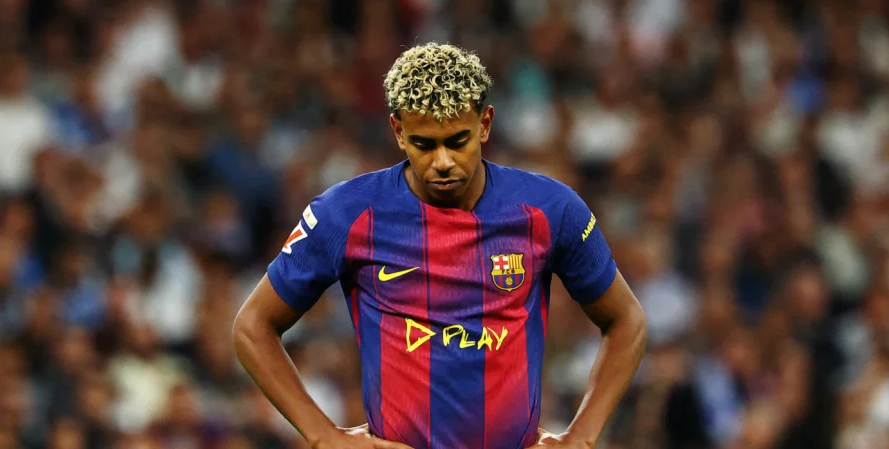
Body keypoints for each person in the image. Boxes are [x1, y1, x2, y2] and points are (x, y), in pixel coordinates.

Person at [233, 43, 648, 449]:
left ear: (485, 124)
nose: (443, 161)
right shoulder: (346, 213)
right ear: (399, 131)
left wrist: (581, 438)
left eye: (458, 140)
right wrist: (324, 436)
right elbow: (252, 326)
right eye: (425, 145)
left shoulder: (550, 210)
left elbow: (626, 320)